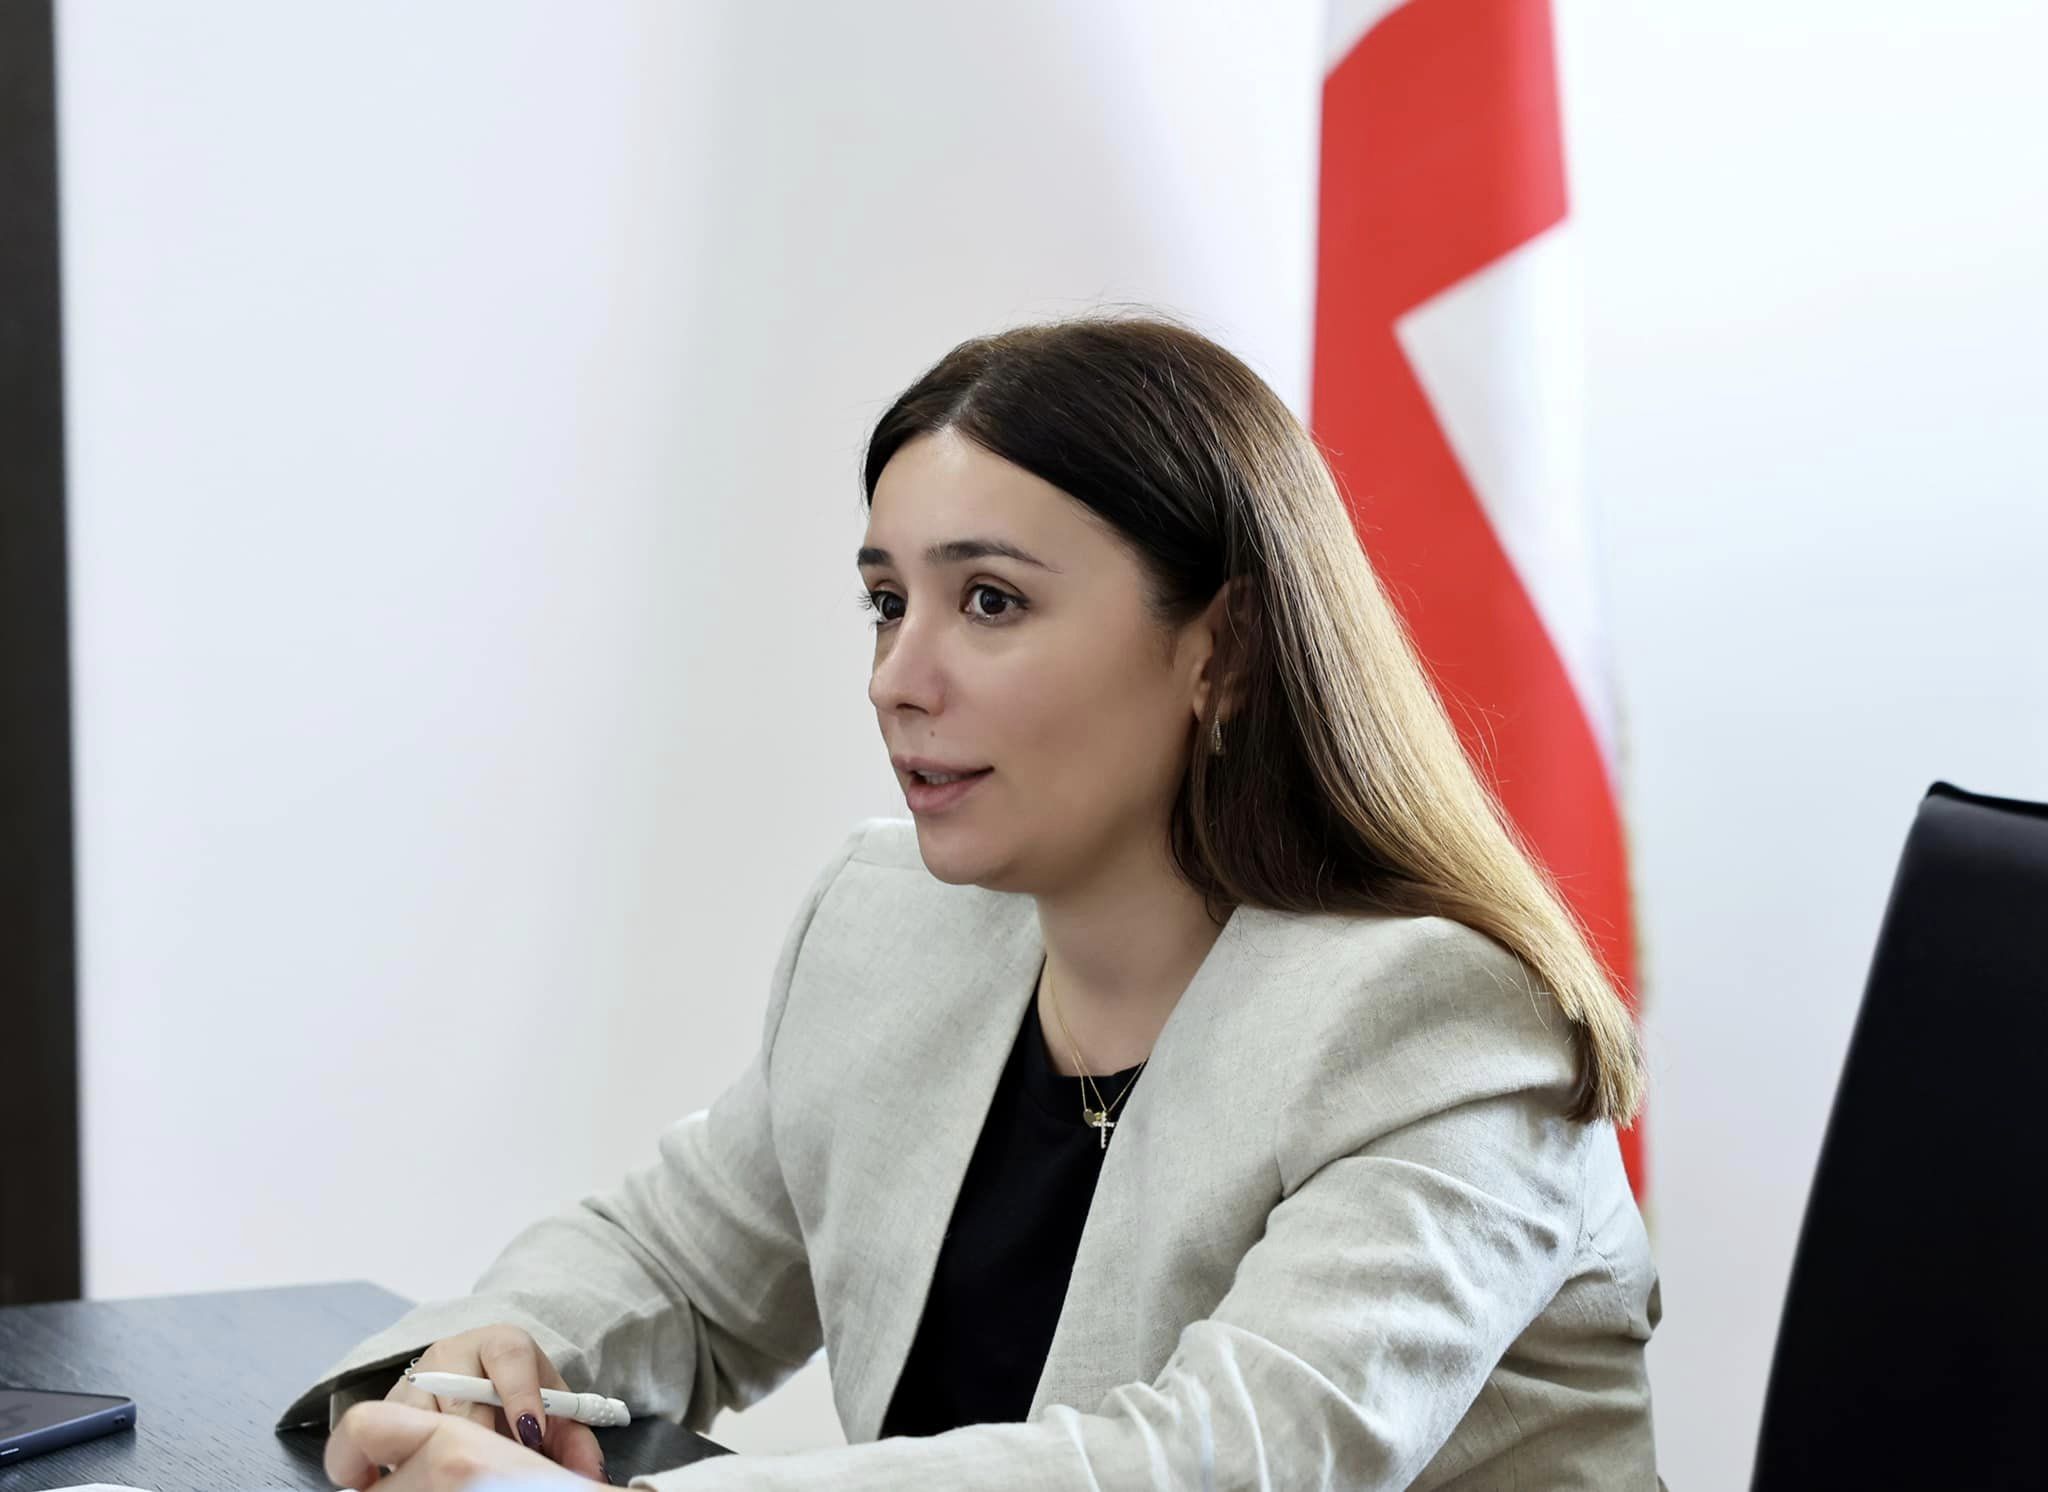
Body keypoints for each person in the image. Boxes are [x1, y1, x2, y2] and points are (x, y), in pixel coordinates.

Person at [295, 312, 1660, 1490]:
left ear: (1225, 650)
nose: (898, 677)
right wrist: (492, 1360)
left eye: (991, 601)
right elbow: (674, 1266)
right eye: (887, 602)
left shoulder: (1441, 1022)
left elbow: (1218, 1463)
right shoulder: (891, 929)